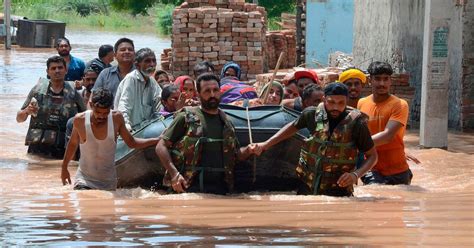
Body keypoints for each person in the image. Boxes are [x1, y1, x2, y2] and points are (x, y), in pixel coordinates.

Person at [253, 83, 378, 197]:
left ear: (346, 102)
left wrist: (355, 175)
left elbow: (373, 156)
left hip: (338, 191)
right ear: (324, 99)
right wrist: (266, 144)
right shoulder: (311, 115)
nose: (336, 107)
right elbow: (292, 128)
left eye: (341, 103)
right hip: (306, 187)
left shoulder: (357, 124)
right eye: (331, 102)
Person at [155, 73, 258, 195]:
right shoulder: (186, 117)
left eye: (215, 90)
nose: (212, 95)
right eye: (207, 91)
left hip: (221, 190)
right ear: (198, 95)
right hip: (189, 189)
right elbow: (161, 146)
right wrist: (174, 174)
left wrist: (249, 150)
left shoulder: (226, 122)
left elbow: (234, 155)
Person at [61, 88, 159, 190]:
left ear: (111, 108)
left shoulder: (116, 118)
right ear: (91, 104)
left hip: (108, 182)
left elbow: (132, 143)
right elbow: (72, 144)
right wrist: (64, 168)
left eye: (105, 113)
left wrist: (156, 140)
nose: (102, 116)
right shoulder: (80, 120)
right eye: (98, 112)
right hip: (84, 180)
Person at [16, 56, 86, 158]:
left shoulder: (74, 93)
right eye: (53, 68)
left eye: (60, 68)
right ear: (47, 72)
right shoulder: (37, 90)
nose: (57, 71)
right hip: (38, 148)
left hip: (64, 148)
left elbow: (86, 118)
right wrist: (27, 111)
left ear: (66, 70)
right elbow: (19, 119)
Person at [357, 62, 414, 185]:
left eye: (385, 79)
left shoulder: (400, 104)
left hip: (398, 170)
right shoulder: (362, 103)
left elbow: (388, 135)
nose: (382, 83)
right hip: (372, 169)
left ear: (390, 81)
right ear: (370, 80)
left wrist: (357, 145)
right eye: (377, 79)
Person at [114, 48, 162, 131]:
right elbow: (124, 105)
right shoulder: (131, 79)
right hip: (131, 130)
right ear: (137, 65)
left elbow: (160, 101)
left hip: (147, 128)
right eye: (147, 61)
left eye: (154, 61)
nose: (152, 64)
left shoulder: (152, 81)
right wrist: (126, 125)